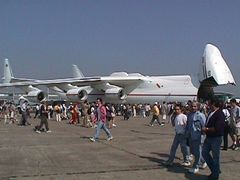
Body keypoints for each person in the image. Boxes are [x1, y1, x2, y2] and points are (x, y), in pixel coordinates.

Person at [202, 98, 226, 180]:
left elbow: (218, 128)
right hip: (209, 137)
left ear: (213, 104)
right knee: (204, 153)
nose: (208, 105)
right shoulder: (211, 112)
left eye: (209, 103)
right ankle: (215, 170)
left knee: (216, 157)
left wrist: (207, 129)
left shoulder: (220, 114)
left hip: (216, 138)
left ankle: (215, 176)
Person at [185, 101, 207, 174]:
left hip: (198, 136)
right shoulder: (189, 115)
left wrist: (203, 136)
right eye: (192, 106)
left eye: (195, 106)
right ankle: (203, 161)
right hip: (191, 136)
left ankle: (196, 166)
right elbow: (188, 126)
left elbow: (204, 126)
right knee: (194, 152)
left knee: (197, 151)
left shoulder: (201, 115)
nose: (193, 107)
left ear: (198, 107)